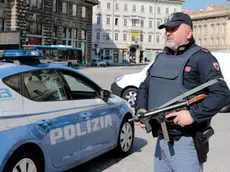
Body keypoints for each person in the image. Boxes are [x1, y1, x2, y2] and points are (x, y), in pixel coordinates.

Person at [135, 12, 230, 172]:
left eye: (174, 28)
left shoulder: (201, 58)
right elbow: (145, 87)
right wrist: (141, 109)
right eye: (167, 29)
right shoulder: (161, 58)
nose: (168, 32)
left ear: (189, 33)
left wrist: (193, 115)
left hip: (186, 141)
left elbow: (222, 94)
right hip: (161, 140)